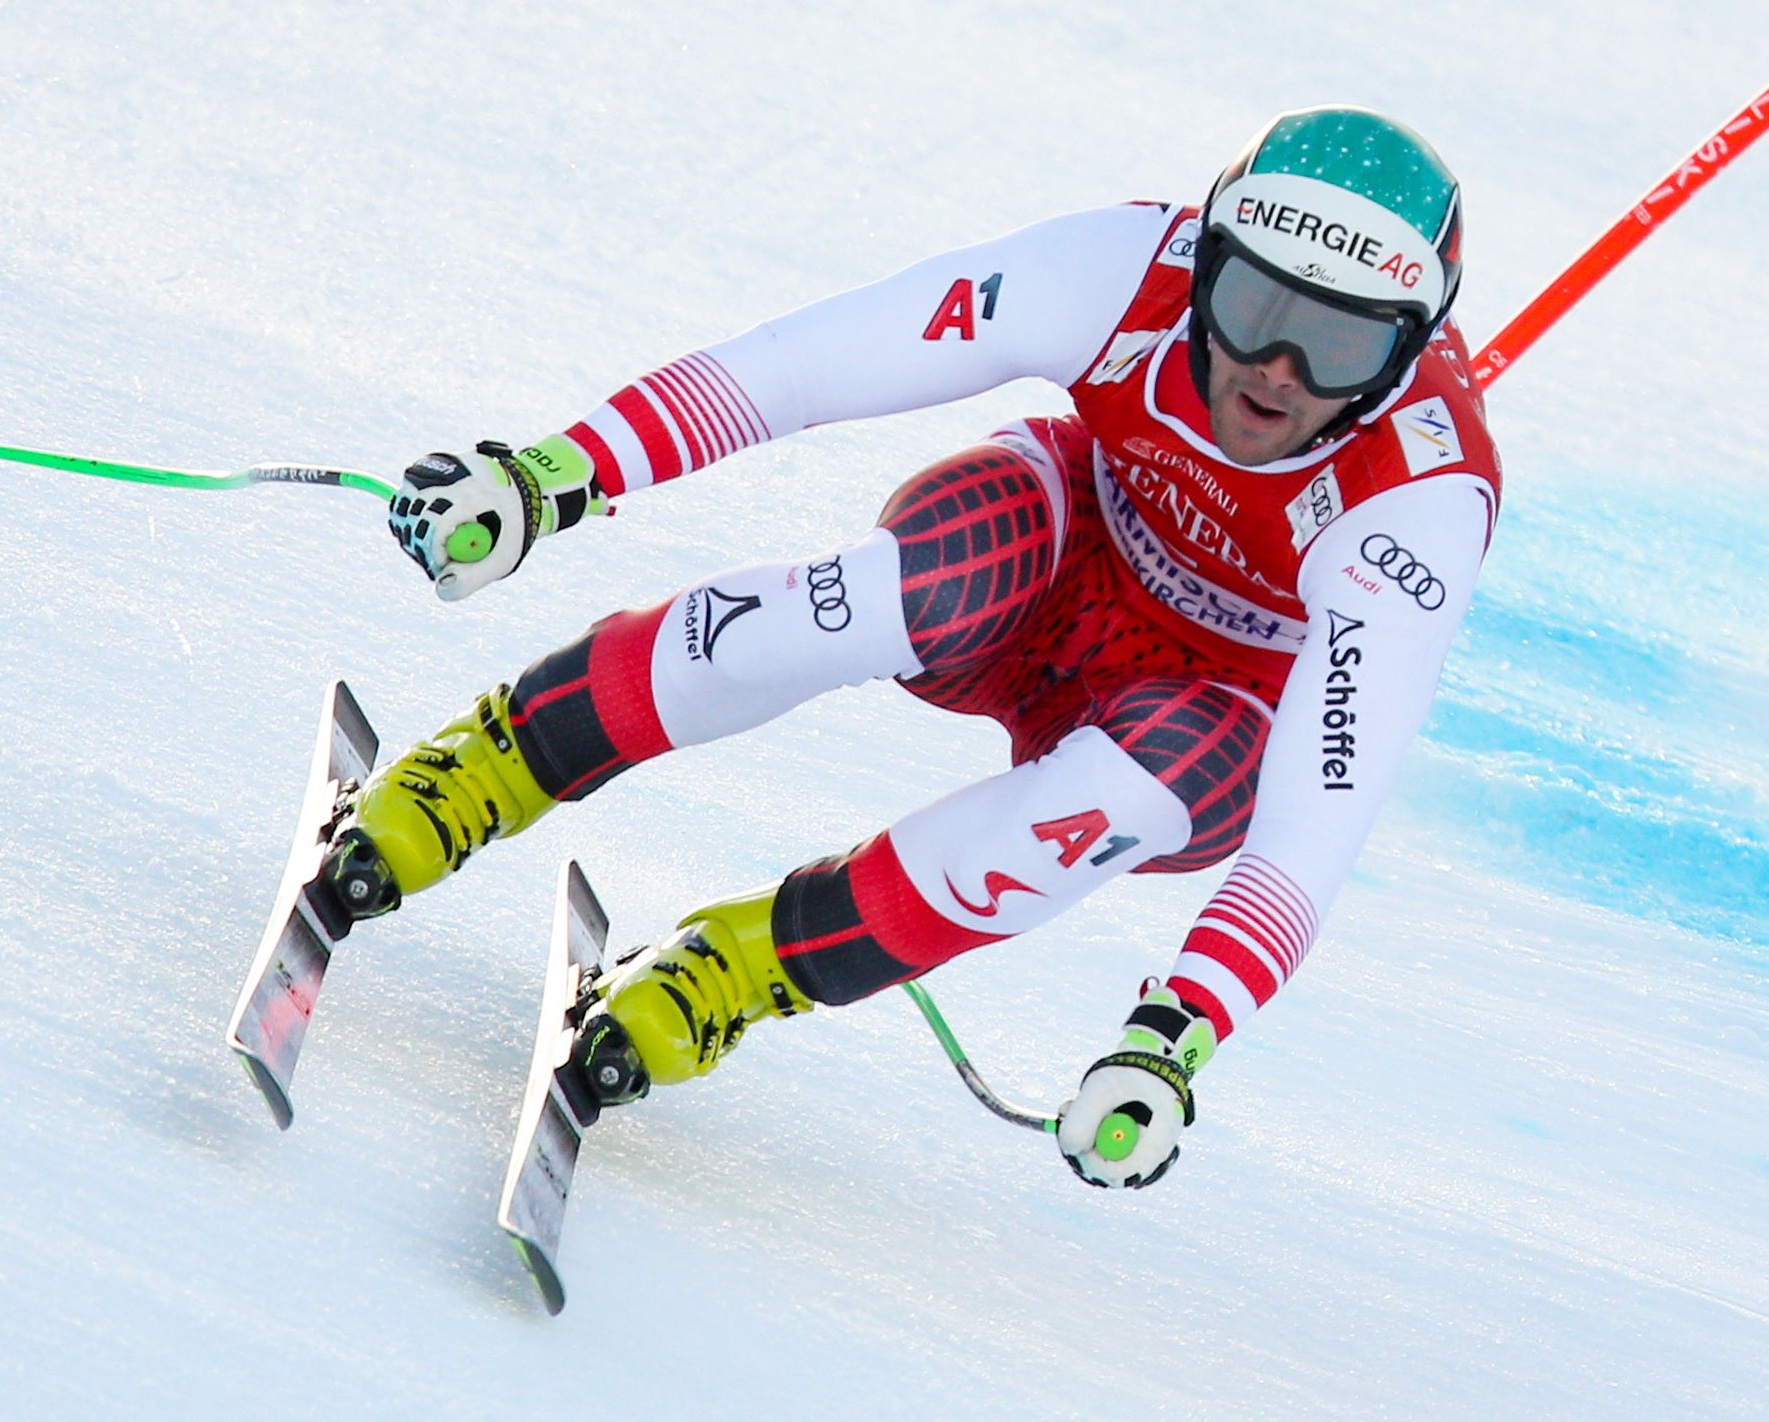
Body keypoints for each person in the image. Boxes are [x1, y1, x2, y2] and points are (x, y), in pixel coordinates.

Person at [336, 106, 1500, 1188]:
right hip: (1061, 550)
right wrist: (556, 476)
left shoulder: (1417, 501)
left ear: (1407, 349)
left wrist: (1172, 1034)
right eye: (1252, 309)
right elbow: (802, 366)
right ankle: (488, 766)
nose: (1275, 373)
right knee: (904, 589)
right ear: (1205, 258)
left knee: (1122, 799)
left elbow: (1310, 832)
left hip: (1211, 695)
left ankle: (734, 969)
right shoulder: (1125, 269)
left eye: (1338, 346)